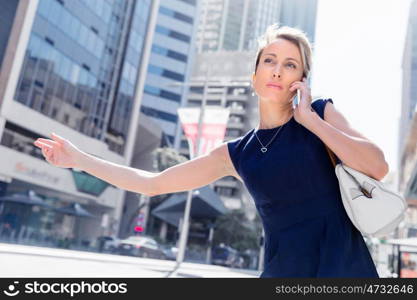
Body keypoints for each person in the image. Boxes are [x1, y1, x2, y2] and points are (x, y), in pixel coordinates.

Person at [33, 23, 389, 277]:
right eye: (269, 60)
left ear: (301, 80)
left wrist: (310, 121)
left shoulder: (321, 115)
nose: (278, 70)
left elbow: (377, 166)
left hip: (345, 269)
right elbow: (152, 183)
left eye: (290, 64)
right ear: (253, 77)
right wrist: (78, 159)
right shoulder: (235, 153)